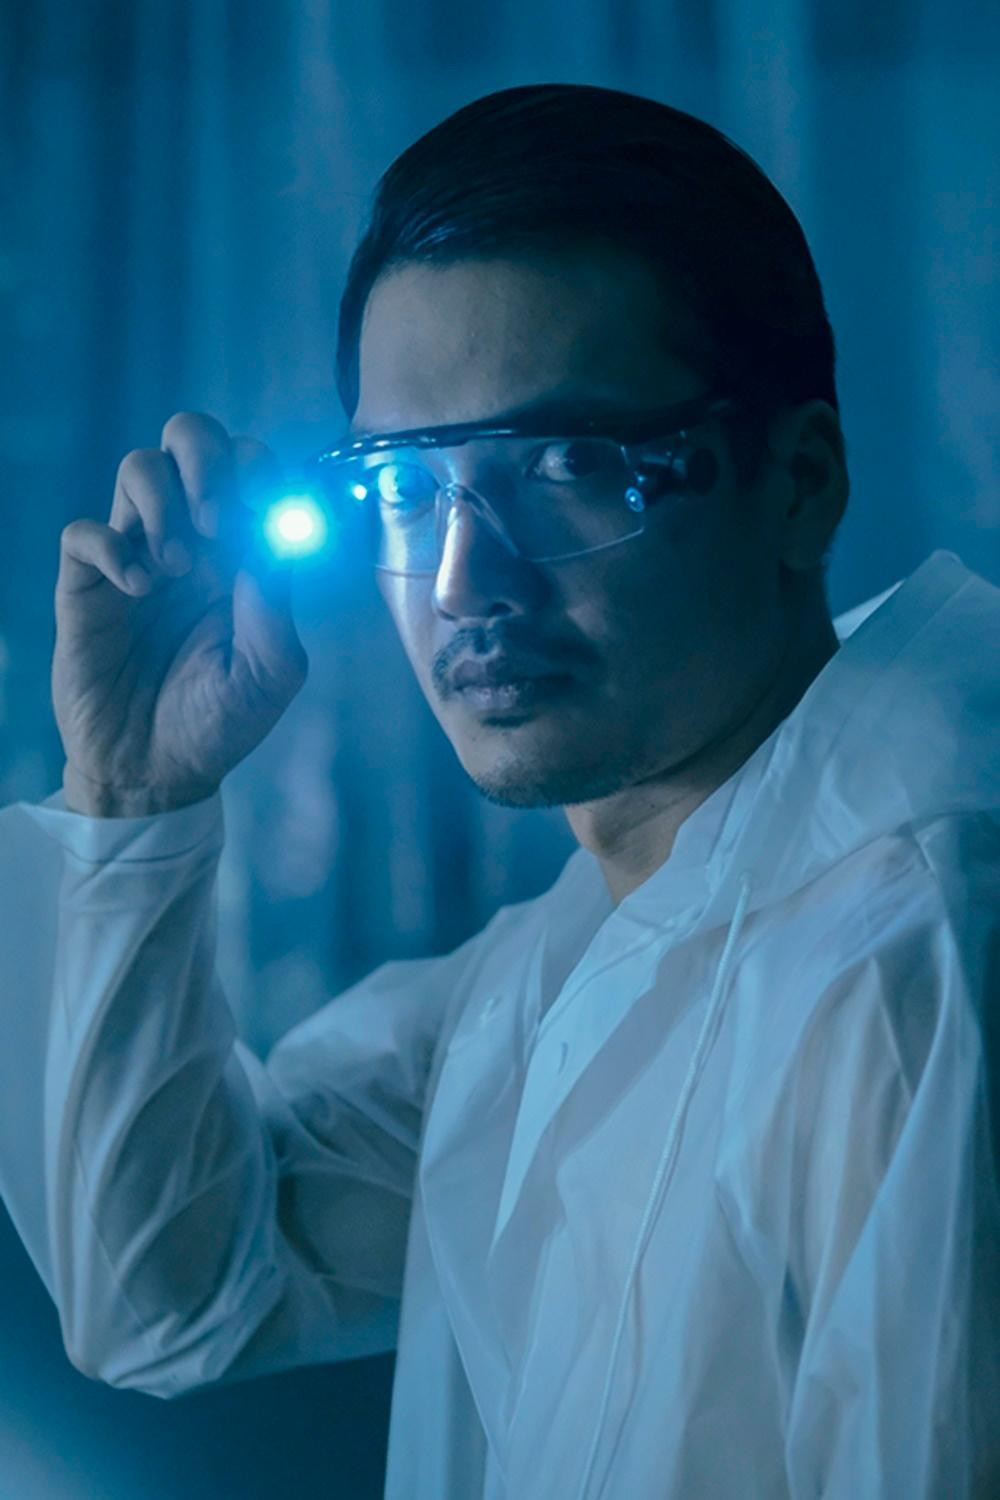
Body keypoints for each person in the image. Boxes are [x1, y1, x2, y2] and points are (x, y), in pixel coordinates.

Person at [0, 82, 997, 1499]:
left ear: (798, 482)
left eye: (569, 468)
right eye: (408, 489)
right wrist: (129, 790)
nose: (468, 584)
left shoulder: (916, 952)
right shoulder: (568, 962)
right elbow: (171, 1296)